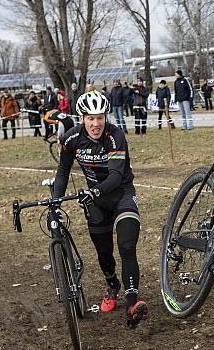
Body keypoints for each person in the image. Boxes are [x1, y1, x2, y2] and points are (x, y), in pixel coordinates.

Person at [52, 91, 148, 328]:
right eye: (90, 118)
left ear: (105, 117)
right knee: (104, 253)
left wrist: (93, 192)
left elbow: (115, 176)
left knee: (127, 246)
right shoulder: (72, 138)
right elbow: (63, 171)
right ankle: (112, 284)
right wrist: (56, 201)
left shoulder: (115, 136)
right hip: (95, 201)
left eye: (100, 118)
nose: (96, 124)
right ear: (82, 118)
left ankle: (132, 303)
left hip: (121, 195)